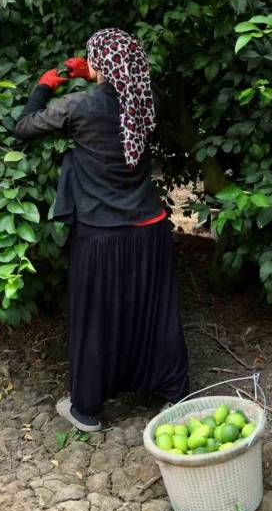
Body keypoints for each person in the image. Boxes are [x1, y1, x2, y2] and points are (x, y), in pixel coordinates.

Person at [13, 28, 189, 432]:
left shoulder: (78, 105)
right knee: (156, 313)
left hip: (101, 234)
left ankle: (87, 409)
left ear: (99, 64)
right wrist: (94, 72)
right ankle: (175, 395)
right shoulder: (145, 101)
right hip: (149, 230)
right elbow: (121, 98)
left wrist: (46, 84)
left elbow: (23, 127)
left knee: (96, 319)